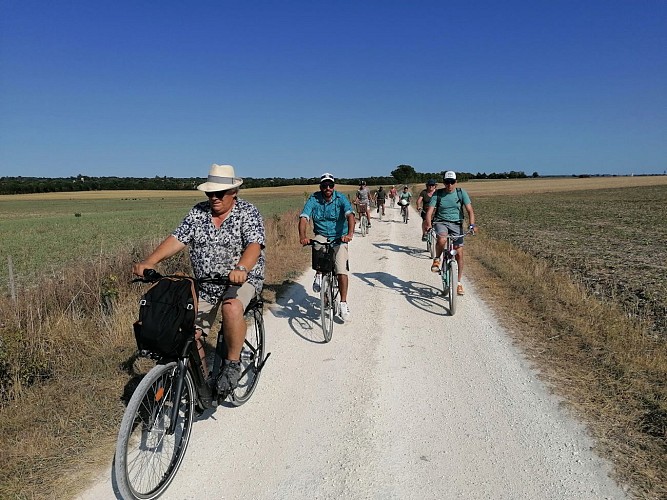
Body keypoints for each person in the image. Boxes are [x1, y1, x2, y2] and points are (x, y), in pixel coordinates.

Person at [132, 163, 265, 393]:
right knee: (187, 331)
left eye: (219, 193)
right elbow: (177, 239)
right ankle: (200, 383)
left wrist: (242, 267)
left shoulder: (248, 212)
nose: (214, 197)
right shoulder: (198, 213)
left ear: (234, 193)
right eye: (210, 192)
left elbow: (254, 245)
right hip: (206, 284)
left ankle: (233, 363)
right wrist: (150, 261)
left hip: (241, 280)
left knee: (231, 308)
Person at [299, 173, 355, 321]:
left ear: (334, 186)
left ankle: (343, 303)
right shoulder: (314, 199)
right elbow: (304, 218)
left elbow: (350, 215)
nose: (327, 188)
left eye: (330, 185)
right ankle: (319, 274)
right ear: (320, 187)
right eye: (324, 186)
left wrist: (349, 234)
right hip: (322, 234)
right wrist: (303, 237)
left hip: (339, 237)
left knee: (341, 270)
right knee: (317, 244)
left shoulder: (341, 198)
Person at [424, 171, 476, 296]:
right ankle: (437, 259)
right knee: (442, 239)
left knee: (459, 253)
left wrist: (472, 225)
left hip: (457, 224)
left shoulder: (460, 193)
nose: (449, 185)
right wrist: (429, 225)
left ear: (456, 182)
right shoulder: (438, 194)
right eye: (447, 182)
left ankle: (458, 282)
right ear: (444, 183)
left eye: (452, 182)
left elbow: (470, 210)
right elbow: (430, 212)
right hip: (441, 222)